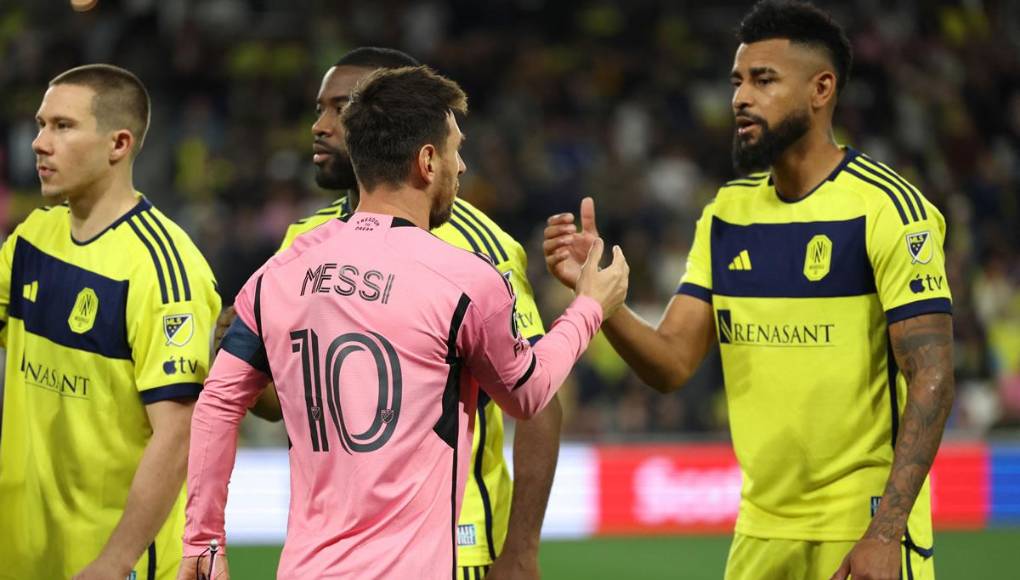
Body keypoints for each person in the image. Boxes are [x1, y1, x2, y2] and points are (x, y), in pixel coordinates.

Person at [544, 2, 954, 579]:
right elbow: (671, 363)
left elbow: (933, 377)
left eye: (763, 80)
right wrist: (601, 302)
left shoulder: (888, 209)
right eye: (737, 80)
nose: (740, 97)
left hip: (860, 525)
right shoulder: (727, 215)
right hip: (760, 529)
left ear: (822, 89)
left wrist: (887, 530)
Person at [181, 66, 628, 579]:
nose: (462, 168)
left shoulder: (280, 271)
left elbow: (216, 404)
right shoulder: (464, 278)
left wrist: (203, 539)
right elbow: (528, 394)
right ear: (427, 160)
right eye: (457, 150)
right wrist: (591, 306)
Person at [0, 64, 220, 580]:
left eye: (62, 126)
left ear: (118, 144)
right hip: (23, 554)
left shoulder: (165, 267)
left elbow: (178, 433)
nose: (38, 143)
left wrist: (114, 563)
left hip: (114, 564)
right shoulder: (34, 236)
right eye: (40, 124)